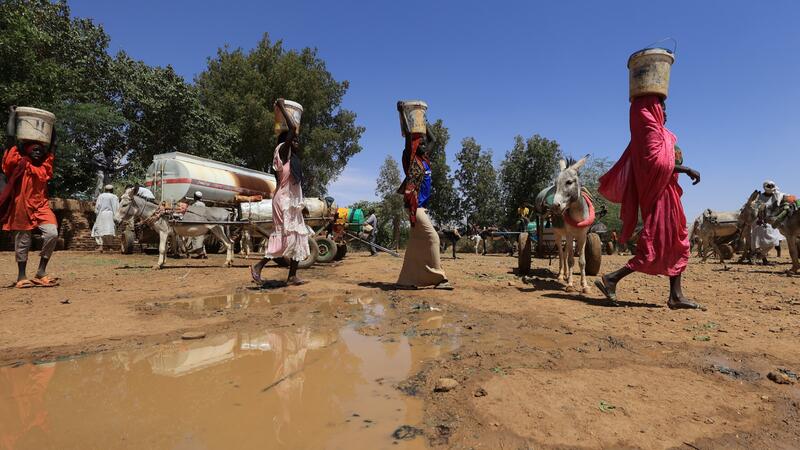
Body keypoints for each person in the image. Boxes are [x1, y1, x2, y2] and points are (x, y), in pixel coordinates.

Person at [594, 95, 702, 309]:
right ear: (651, 111)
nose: (665, 112)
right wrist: (687, 169)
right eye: (660, 107)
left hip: (669, 196)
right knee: (654, 245)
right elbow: (657, 166)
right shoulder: (648, 135)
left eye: (665, 108)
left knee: (677, 241)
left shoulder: (664, 135)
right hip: (658, 197)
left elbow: (667, 161)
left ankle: (676, 295)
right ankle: (612, 278)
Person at [250, 98, 310, 286]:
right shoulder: (282, 153)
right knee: (285, 236)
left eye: (298, 140)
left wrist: (302, 206)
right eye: (295, 140)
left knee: (299, 236)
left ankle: (292, 276)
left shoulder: (293, 160)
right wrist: (282, 107)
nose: (297, 142)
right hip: (282, 201)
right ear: (287, 141)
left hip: (292, 203)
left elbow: (296, 187)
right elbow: (292, 128)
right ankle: (258, 266)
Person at [0, 106, 59, 288]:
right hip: (21, 206)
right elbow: (10, 140)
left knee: (52, 233)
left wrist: (51, 125)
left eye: (40, 150)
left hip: (41, 206)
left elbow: (53, 146)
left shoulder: (44, 167)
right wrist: (12, 116)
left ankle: (41, 271)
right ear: (26, 150)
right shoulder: (18, 162)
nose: (38, 151)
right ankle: (21, 276)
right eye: (34, 149)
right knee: (23, 241)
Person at [395, 101, 452, 290]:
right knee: (433, 238)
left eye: (424, 144)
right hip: (415, 207)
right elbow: (408, 135)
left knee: (416, 245)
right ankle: (439, 278)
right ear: (415, 146)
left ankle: (406, 280)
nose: (424, 145)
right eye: (421, 144)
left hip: (422, 208)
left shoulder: (425, 160)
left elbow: (434, 139)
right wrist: (404, 114)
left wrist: (422, 121)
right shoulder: (411, 160)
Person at [750, 180, 784, 264]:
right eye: (769, 186)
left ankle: (760, 255)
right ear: (765, 187)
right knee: (759, 242)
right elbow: (755, 208)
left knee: (773, 241)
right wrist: (759, 207)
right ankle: (762, 259)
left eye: (772, 186)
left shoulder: (776, 196)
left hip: (771, 222)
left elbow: (778, 206)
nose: (771, 188)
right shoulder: (760, 197)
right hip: (760, 221)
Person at [91, 184, 119, 252]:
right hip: (111, 215)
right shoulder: (115, 197)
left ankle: (101, 247)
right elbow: (117, 207)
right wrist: (116, 217)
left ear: (105, 190)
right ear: (112, 190)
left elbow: (97, 207)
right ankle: (110, 247)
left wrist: (96, 213)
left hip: (102, 214)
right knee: (110, 231)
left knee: (100, 230)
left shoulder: (101, 196)